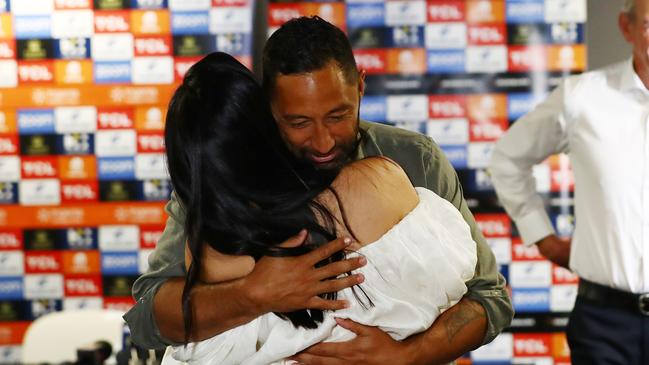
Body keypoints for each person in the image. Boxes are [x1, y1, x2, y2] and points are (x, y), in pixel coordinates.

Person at [125, 16, 513, 365]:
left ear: (360, 86)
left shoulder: (414, 159)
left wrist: (407, 355)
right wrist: (253, 292)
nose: (324, 141)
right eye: (298, 123)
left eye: (338, 116)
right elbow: (147, 318)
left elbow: (489, 299)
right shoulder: (224, 185)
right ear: (268, 108)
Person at [489, 0, 649, 363]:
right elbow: (507, 158)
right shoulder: (582, 97)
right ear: (626, 27)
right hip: (605, 323)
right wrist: (543, 238)